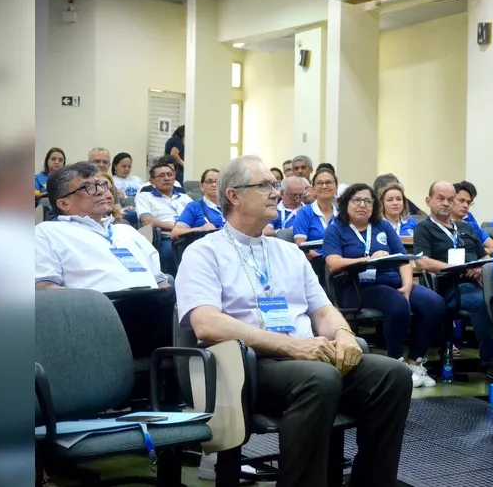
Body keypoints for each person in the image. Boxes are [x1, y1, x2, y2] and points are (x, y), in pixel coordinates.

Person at [175, 156, 411, 486]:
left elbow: (323, 310)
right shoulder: (204, 252)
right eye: (265, 186)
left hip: (308, 358)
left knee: (394, 375)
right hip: (246, 366)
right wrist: (293, 346)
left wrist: (343, 335)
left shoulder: (287, 252)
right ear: (234, 195)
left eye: (274, 186)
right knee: (320, 377)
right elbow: (207, 323)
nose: (276, 192)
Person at [323, 183, 445, 388]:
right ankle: (396, 362)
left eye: (368, 201)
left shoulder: (383, 225)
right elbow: (333, 263)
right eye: (357, 200)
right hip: (356, 287)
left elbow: (403, 259)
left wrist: (407, 285)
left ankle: (414, 362)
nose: (363, 205)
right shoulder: (336, 228)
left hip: (393, 282)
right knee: (397, 303)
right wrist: (368, 260)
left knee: (434, 303)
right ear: (346, 204)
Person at [412, 181, 493, 382]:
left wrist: (480, 268)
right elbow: (421, 262)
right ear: (429, 201)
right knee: (482, 302)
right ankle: (492, 362)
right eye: (441, 199)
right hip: (449, 286)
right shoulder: (424, 228)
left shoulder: (466, 227)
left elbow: (482, 256)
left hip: (479, 281)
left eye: (450, 199)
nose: (446, 203)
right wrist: (458, 268)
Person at [36, 161, 169, 291]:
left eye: (100, 184)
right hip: (101, 308)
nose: (100, 191)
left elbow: (161, 282)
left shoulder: (126, 230)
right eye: (87, 187)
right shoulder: (47, 232)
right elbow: (44, 288)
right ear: (64, 204)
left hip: (155, 304)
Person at [136, 162, 194, 276]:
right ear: (152, 181)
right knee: (170, 252)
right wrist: (178, 228)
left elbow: (199, 217)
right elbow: (147, 220)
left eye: (169, 174)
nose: (166, 178)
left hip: (190, 234)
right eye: (161, 176)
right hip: (166, 236)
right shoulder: (144, 196)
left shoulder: (185, 198)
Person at [293, 168, 338, 259]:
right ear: (313, 189)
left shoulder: (342, 213)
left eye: (329, 182)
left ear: (336, 187)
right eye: (319, 183)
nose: (324, 186)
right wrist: (324, 260)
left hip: (341, 261)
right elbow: (301, 246)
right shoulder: (304, 213)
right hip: (316, 262)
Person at [172, 169, 224, 240]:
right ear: (201, 186)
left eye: (218, 182)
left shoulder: (232, 207)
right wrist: (200, 229)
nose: (214, 185)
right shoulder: (194, 206)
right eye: (209, 181)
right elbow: (175, 233)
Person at [452, 181, 493, 256]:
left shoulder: (471, 225)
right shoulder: (437, 224)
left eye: (469, 202)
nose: (466, 206)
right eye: (461, 201)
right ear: (451, 200)